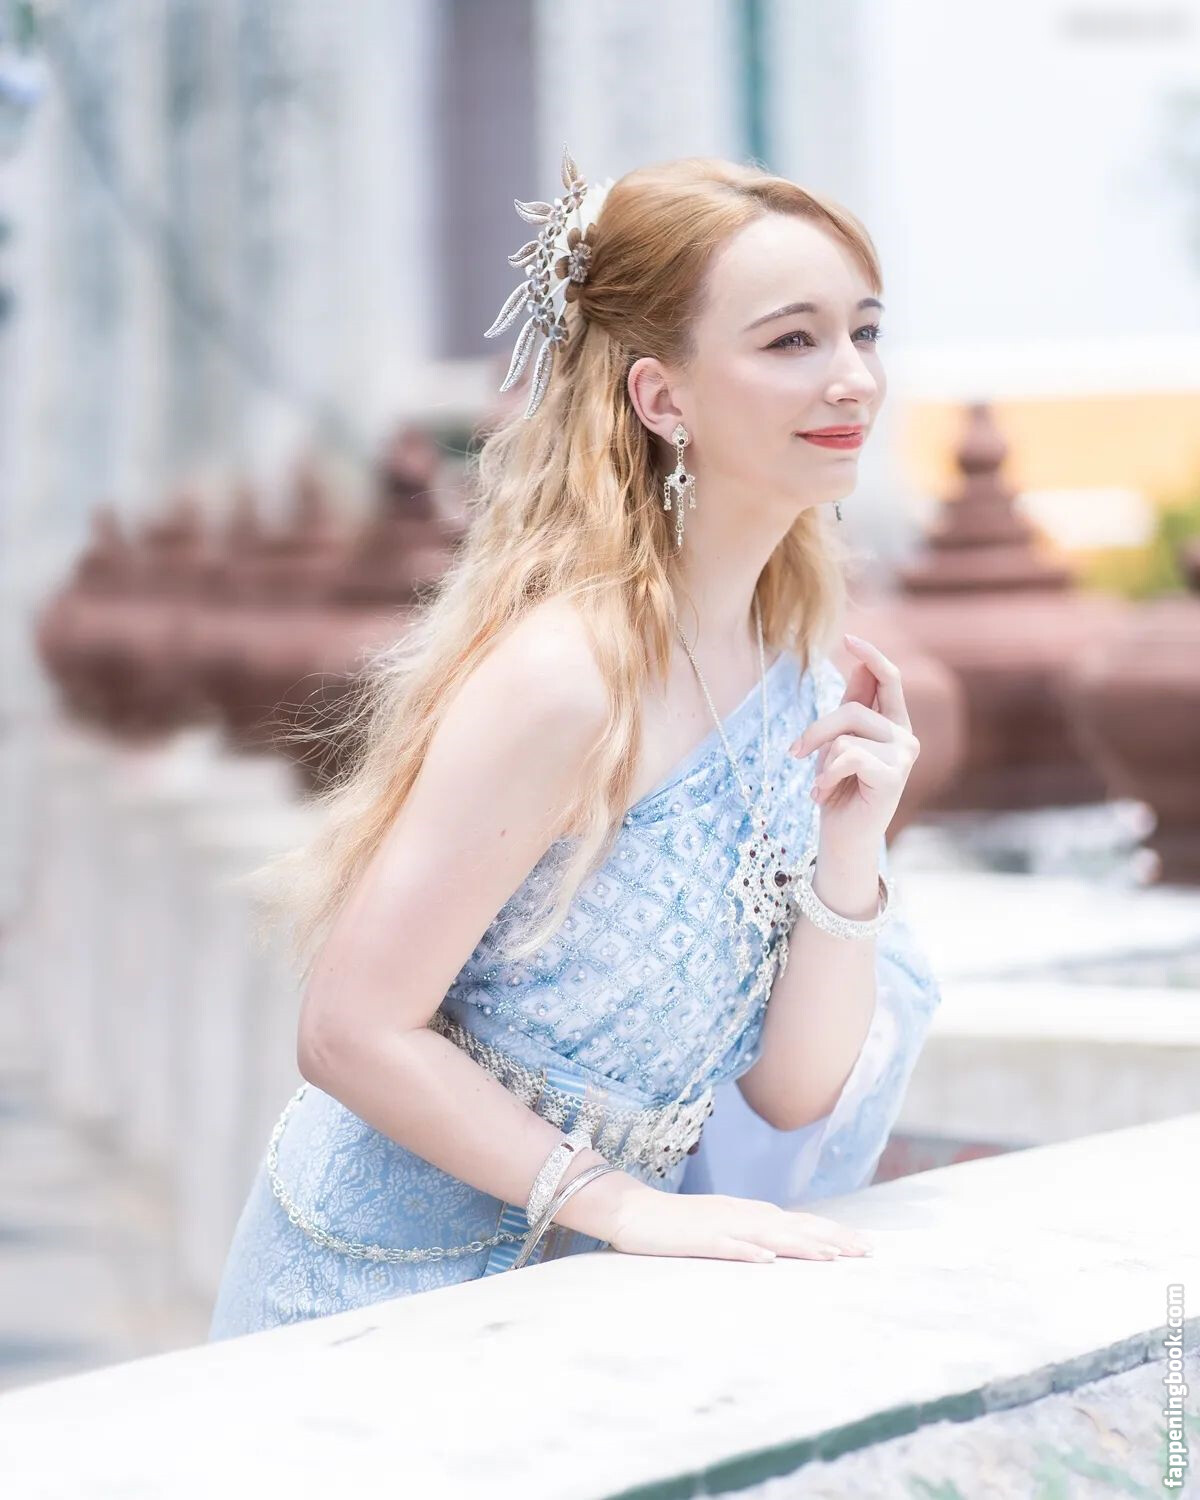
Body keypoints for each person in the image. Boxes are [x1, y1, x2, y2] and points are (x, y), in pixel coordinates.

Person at [207, 149, 941, 1340]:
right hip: (383, 1296)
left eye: (864, 331)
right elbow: (349, 1028)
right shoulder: (567, 680)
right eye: (792, 341)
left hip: (594, 1292)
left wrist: (850, 856)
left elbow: (792, 1091)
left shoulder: (792, 663)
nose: (854, 377)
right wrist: (623, 1205)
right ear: (662, 399)